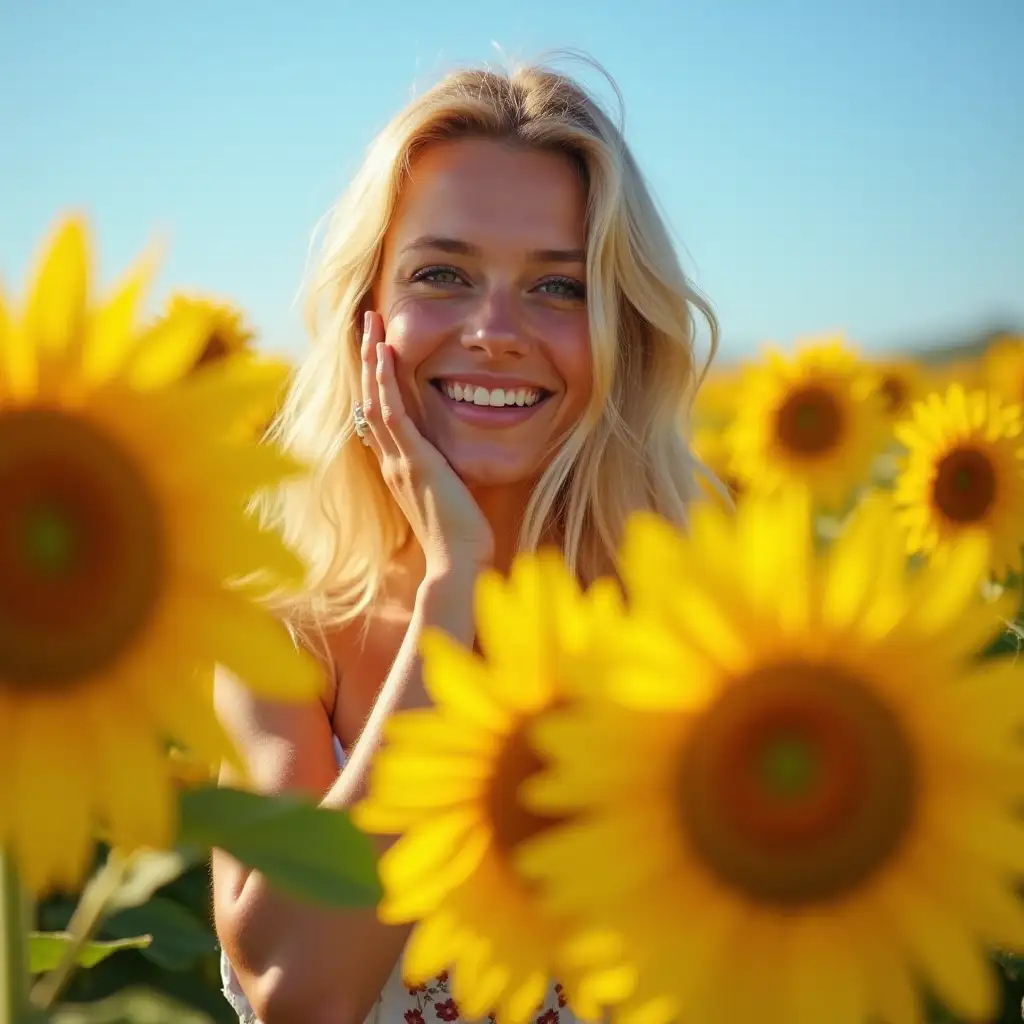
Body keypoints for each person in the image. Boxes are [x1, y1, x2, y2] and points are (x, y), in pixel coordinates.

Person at [212, 54, 718, 1024]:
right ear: (369, 312)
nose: (493, 331)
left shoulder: (697, 615)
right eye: (441, 274)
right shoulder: (282, 627)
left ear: (624, 328)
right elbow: (299, 991)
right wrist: (450, 595)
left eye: (559, 288)